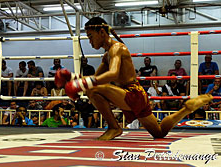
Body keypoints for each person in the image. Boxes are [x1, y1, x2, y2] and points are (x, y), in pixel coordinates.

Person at [55, 17, 213, 140]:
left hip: (132, 94)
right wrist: (73, 77)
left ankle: (113, 127)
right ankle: (187, 108)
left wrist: (81, 83)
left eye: (90, 36)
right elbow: (96, 78)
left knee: (92, 89)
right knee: (159, 133)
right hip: (133, 95)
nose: (89, 41)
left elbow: (113, 74)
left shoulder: (117, 48)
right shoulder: (107, 55)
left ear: (101, 33)